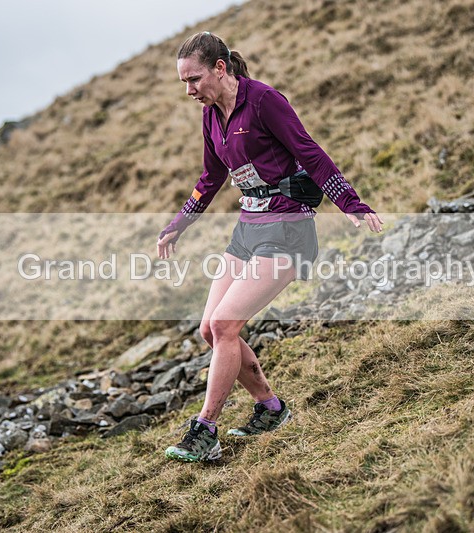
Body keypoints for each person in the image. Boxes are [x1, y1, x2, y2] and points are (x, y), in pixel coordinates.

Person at [158, 31, 382, 462]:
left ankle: (205, 429)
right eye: (183, 82)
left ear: (220, 69)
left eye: (194, 79)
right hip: (248, 226)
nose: (189, 90)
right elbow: (210, 178)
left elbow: (309, 152)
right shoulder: (210, 116)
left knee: (225, 325)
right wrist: (178, 225)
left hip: (288, 227)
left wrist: (350, 202)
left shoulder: (263, 101)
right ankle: (271, 408)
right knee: (210, 329)